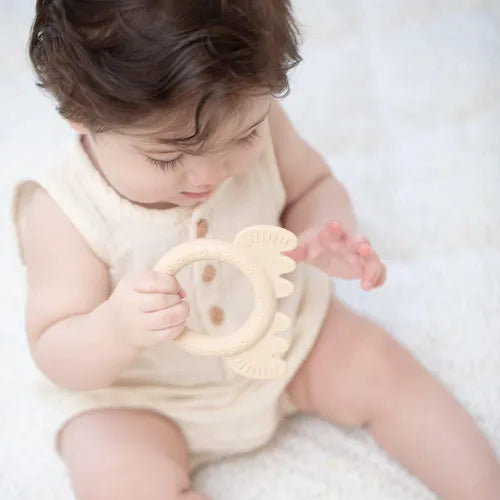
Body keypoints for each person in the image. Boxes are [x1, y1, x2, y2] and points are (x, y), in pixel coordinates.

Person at [13, 1, 500, 498]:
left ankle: (484, 486)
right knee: (116, 477)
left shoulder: (253, 117)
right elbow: (55, 350)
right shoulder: (64, 213)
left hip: (287, 333)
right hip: (147, 395)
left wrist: (321, 233)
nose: (210, 174)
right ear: (79, 115)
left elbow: (312, 186)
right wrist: (115, 329)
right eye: (168, 157)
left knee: (385, 371)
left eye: (244, 136)